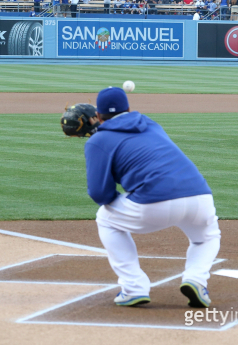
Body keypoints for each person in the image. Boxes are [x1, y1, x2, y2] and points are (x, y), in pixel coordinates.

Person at [84, 87, 221, 307]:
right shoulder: (149, 123)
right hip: (200, 195)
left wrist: (98, 142)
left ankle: (133, 288)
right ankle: (196, 279)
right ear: (128, 109)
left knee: (105, 218)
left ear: (99, 116)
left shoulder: (98, 141)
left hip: (153, 204)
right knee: (207, 236)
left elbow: (101, 194)